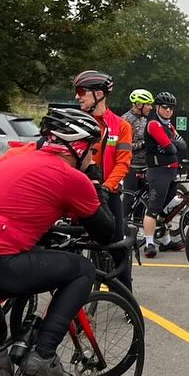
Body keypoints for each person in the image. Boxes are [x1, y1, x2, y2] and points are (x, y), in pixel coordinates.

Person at [0, 108, 116, 376]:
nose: (92, 157)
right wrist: (96, 182)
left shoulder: (17, 159)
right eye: (91, 151)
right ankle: (43, 354)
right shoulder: (71, 177)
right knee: (82, 269)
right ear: (78, 148)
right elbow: (106, 232)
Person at [74, 71, 133, 287]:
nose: (77, 96)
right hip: (77, 195)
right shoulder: (75, 123)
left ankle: (126, 296)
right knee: (70, 245)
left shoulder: (121, 126)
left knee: (118, 248)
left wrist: (106, 188)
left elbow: (123, 163)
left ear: (99, 94)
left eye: (82, 91)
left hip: (108, 194)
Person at [141, 91, 185, 257]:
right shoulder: (154, 124)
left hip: (171, 171)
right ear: (157, 107)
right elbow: (171, 148)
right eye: (165, 107)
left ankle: (166, 241)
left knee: (167, 209)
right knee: (154, 209)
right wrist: (172, 143)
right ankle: (149, 244)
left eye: (171, 108)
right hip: (158, 171)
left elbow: (182, 146)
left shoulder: (169, 125)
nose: (168, 111)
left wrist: (172, 143)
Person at [122, 88, 154, 198]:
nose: (151, 107)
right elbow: (123, 146)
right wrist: (144, 144)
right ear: (139, 104)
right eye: (148, 104)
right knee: (129, 200)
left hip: (145, 166)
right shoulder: (126, 120)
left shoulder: (144, 119)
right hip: (132, 167)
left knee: (144, 200)